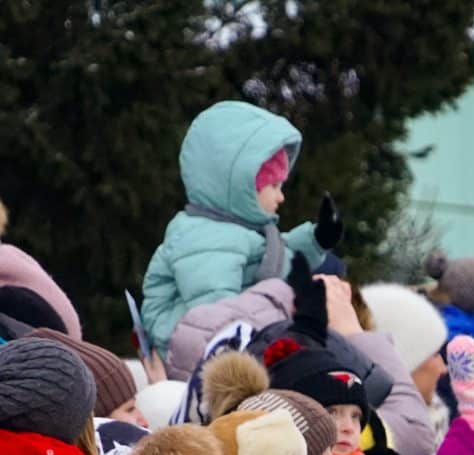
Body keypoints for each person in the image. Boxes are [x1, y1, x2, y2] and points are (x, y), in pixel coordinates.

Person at [141, 101, 337, 359]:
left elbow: (274, 258)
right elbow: (215, 313)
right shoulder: (206, 238)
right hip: (193, 356)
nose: (281, 198)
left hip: (228, 346)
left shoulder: (236, 231)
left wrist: (315, 240)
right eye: (275, 186)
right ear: (243, 184)